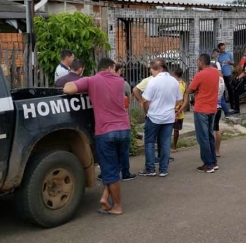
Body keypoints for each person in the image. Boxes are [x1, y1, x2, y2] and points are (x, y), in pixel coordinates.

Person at [63, 58, 128, 215]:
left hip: (105, 132)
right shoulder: (120, 81)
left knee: (110, 170)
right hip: (124, 129)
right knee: (116, 167)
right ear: (111, 67)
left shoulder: (91, 80)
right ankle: (106, 199)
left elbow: (68, 89)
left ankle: (117, 206)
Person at [138, 59, 183, 177]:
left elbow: (145, 100)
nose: (151, 73)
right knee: (165, 143)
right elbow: (179, 99)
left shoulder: (153, 82)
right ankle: (163, 169)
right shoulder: (174, 81)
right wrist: (171, 106)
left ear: (158, 69)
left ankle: (150, 169)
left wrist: (147, 111)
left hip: (154, 117)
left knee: (149, 142)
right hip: (168, 117)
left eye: (152, 70)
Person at [180, 53, 220, 173]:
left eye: (198, 62)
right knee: (209, 135)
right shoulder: (215, 72)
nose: (197, 63)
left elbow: (191, 89)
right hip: (212, 108)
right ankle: (213, 161)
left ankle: (208, 164)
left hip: (201, 109)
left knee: (202, 138)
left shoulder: (200, 75)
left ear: (201, 62)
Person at [172, 68, 188, 153]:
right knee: (176, 130)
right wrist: (180, 110)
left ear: (174, 73)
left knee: (166, 129)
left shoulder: (170, 84)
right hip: (179, 111)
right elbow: (186, 100)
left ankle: (165, 147)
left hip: (170, 110)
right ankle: (174, 147)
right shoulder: (184, 84)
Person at [217, 43, 236, 114]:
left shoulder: (228, 54)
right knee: (222, 90)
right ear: (219, 49)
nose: (223, 50)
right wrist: (221, 64)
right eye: (222, 49)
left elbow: (233, 63)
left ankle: (232, 105)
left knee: (230, 89)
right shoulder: (218, 56)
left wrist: (229, 62)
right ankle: (223, 105)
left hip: (228, 74)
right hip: (221, 75)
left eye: (224, 48)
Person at [211, 49, 231, 117]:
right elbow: (220, 74)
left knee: (220, 99)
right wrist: (222, 82)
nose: (217, 55)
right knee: (221, 99)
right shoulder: (216, 63)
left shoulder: (213, 63)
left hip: (216, 83)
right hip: (217, 83)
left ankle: (226, 113)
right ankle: (226, 113)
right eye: (217, 54)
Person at [214, 72, 226, 157]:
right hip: (218, 105)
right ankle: (217, 150)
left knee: (211, 130)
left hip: (212, 106)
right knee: (216, 128)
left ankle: (212, 150)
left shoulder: (214, 79)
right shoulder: (221, 80)